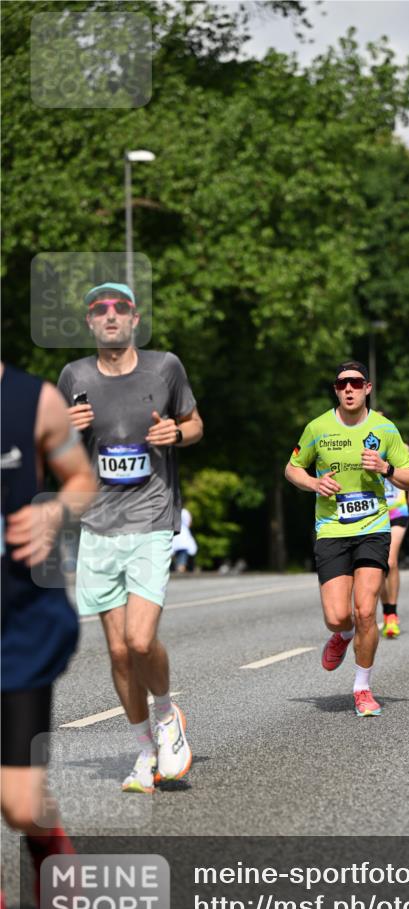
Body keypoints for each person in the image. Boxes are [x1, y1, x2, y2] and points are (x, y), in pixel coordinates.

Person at [57, 283, 203, 793]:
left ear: (135, 319)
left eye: (120, 307)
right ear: (90, 322)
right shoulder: (74, 376)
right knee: (119, 653)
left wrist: (176, 434)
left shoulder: (165, 368)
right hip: (99, 526)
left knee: (141, 640)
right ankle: (144, 752)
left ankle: (166, 716)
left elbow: (195, 423)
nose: (111, 315)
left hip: (152, 519)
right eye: (100, 309)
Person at [1, 363, 96, 909]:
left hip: (20, 629)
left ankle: (48, 844)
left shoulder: (33, 401)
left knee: (18, 804)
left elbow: (82, 479)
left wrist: (54, 511)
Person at [285, 361, 409, 717]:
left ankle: (362, 687)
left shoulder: (384, 429)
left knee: (365, 611)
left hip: (373, 528)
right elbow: (292, 468)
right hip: (332, 529)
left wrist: (386, 468)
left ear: (367, 388)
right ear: (336, 389)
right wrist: (313, 483)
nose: (349, 389)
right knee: (337, 616)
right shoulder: (318, 428)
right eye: (343, 383)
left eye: (356, 383)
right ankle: (342, 636)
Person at [380, 442, 409, 638]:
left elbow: (406, 452)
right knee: (379, 566)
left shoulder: (398, 447)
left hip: (397, 512)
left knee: (390, 561)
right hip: (376, 514)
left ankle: (392, 612)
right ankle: (386, 611)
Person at [172, 507, 197, 573]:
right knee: (181, 562)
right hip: (183, 541)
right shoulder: (184, 512)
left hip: (175, 540)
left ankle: (178, 572)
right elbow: (188, 523)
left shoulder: (172, 511)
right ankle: (180, 574)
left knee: (177, 561)